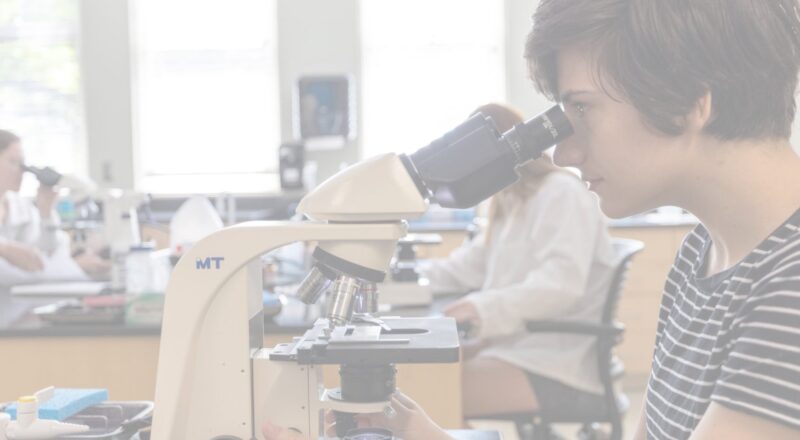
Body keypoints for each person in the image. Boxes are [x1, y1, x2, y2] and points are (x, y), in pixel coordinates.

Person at [525, 1, 800, 439]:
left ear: (688, 102)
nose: (565, 154)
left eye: (583, 110)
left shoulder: (790, 287)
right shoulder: (700, 253)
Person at [424, 103, 618, 419]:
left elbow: (561, 285)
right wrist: (396, 277)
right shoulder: (510, 200)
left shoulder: (560, 194)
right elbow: (468, 267)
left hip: (555, 365)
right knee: (423, 377)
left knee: (428, 393)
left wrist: (480, 307)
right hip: (515, 348)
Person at [0, 129, 108, 282]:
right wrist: (75, 266)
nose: (22, 171)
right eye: (13, 162)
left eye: (22, 164)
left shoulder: (21, 208)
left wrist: (46, 213)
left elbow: (45, 256)